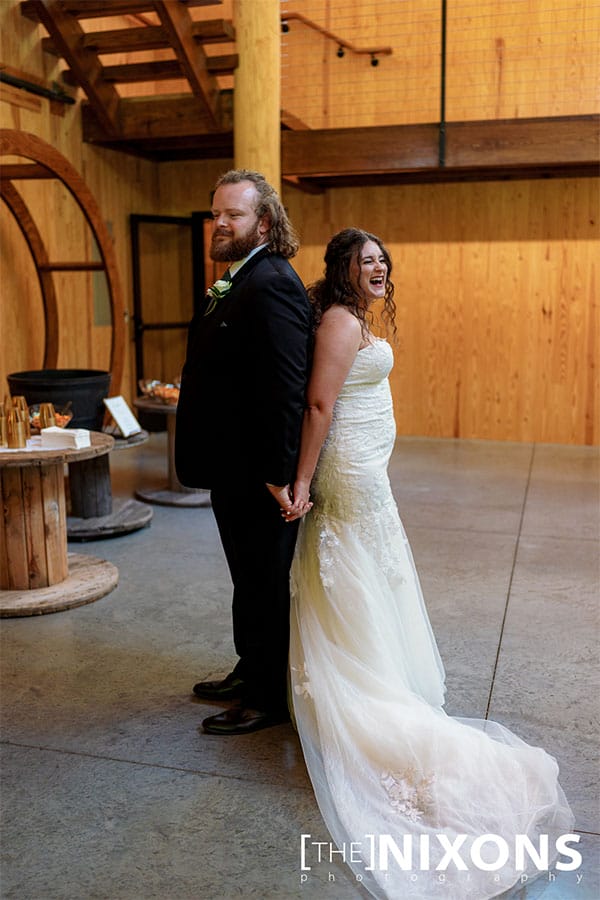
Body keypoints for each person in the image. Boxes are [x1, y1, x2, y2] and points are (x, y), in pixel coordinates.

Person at [285, 228, 575, 898]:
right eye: (366, 260)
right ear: (341, 270)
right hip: (348, 474)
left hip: (369, 470)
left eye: (383, 259)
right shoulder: (336, 321)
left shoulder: (355, 319)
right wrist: (302, 483)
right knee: (351, 569)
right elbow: (320, 404)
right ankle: (367, 682)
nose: (379, 266)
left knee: (376, 571)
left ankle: (379, 661)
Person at [175, 169, 311, 735]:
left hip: (260, 472)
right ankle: (248, 667)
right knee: (246, 576)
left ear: (264, 223)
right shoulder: (237, 278)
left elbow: (286, 385)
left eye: (234, 214)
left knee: (263, 580)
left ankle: (267, 697)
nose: (221, 223)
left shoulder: (272, 280)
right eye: (216, 213)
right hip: (233, 467)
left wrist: (280, 473)